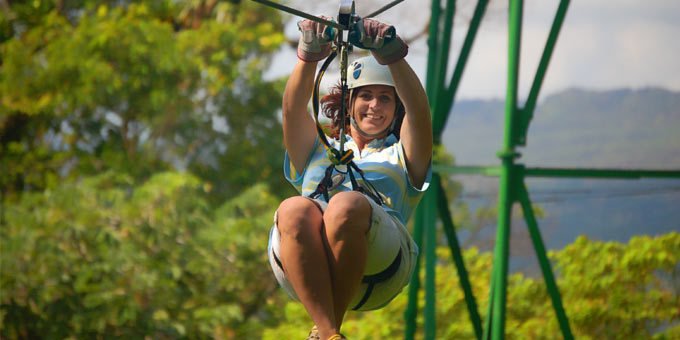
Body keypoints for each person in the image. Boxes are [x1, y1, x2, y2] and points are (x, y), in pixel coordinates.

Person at [267, 17, 432, 340]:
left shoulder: (401, 153)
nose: (374, 106)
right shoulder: (317, 149)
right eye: (366, 96)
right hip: (304, 267)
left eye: (385, 98)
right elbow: (291, 111)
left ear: (396, 109)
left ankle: (327, 330)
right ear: (350, 103)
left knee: (346, 204)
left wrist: (392, 55)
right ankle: (330, 333)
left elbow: (420, 113)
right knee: (292, 209)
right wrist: (308, 55)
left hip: (380, 265)